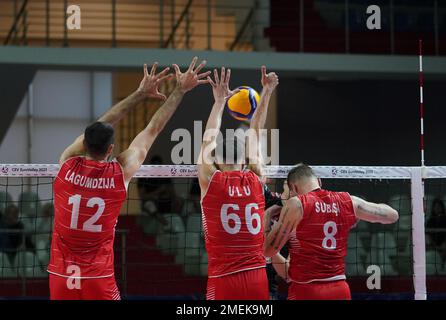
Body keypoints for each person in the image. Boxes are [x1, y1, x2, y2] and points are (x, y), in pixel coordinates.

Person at [48, 57, 210, 300]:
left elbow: (101, 125)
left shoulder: (66, 166)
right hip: (97, 278)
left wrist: (139, 94)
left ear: (84, 143)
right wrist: (180, 90)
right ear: (111, 149)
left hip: (61, 275)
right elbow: (152, 129)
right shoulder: (119, 173)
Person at [197, 66, 279, 300]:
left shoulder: (210, 180)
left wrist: (219, 101)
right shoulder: (256, 178)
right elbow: (256, 131)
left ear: (218, 161)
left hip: (223, 279)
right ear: (243, 161)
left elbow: (208, 138)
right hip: (257, 277)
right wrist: (268, 90)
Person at [264, 163, 399, 300]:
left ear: (293, 188)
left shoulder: (297, 204)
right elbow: (393, 215)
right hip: (340, 289)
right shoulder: (347, 201)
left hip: (306, 290)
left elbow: (268, 251)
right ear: (319, 182)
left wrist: (267, 217)